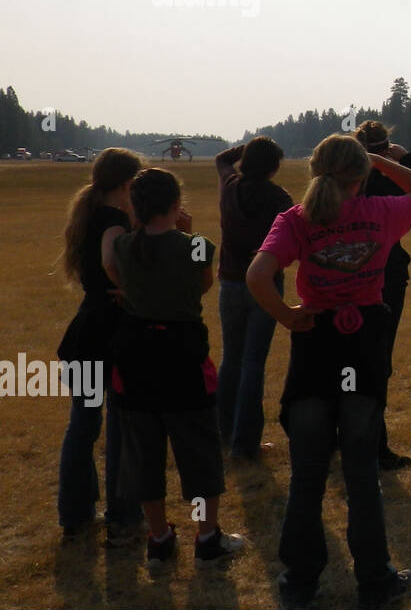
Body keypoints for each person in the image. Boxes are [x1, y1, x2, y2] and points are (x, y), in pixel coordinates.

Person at [247, 133, 411, 609]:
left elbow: (256, 275)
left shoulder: (295, 219)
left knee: (307, 474)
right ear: (362, 176)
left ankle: (299, 582)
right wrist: (377, 158)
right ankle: (375, 579)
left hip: (315, 345)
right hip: (363, 344)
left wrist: (287, 315)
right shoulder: (381, 212)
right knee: (361, 472)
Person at [105, 168, 245, 569]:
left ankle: (160, 537)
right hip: (183, 357)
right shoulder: (197, 245)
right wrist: (188, 231)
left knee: (144, 454)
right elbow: (201, 286)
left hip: (135, 358)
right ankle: (206, 537)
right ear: (175, 203)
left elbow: (118, 275)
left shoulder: (124, 246)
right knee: (198, 454)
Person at [56, 148, 145, 545]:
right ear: (127, 183)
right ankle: (123, 515)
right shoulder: (114, 219)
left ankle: (75, 514)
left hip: (85, 332)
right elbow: (111, 259)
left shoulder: (89, 213)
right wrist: (129, 286)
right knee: (120, 427)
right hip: (110, 334)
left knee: (83, 425)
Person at [355, 120, 411, 468]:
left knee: (347, 357)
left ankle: (340, 435)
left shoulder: (347, 181)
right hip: (386, 273)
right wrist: (405, 158)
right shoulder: (390, 181)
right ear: (386, 146)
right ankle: (375, 445)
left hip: (347, 273)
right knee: (379, 359)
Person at [214, 137, 292, 462]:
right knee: (252, 364)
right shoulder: (279, 198)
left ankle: (224, 431)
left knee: (231, 360)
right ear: (274, 168)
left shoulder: (229, 186)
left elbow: (221, 158)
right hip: (265, 284)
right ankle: (245, 445)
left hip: (230, 282)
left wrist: (248, 146)